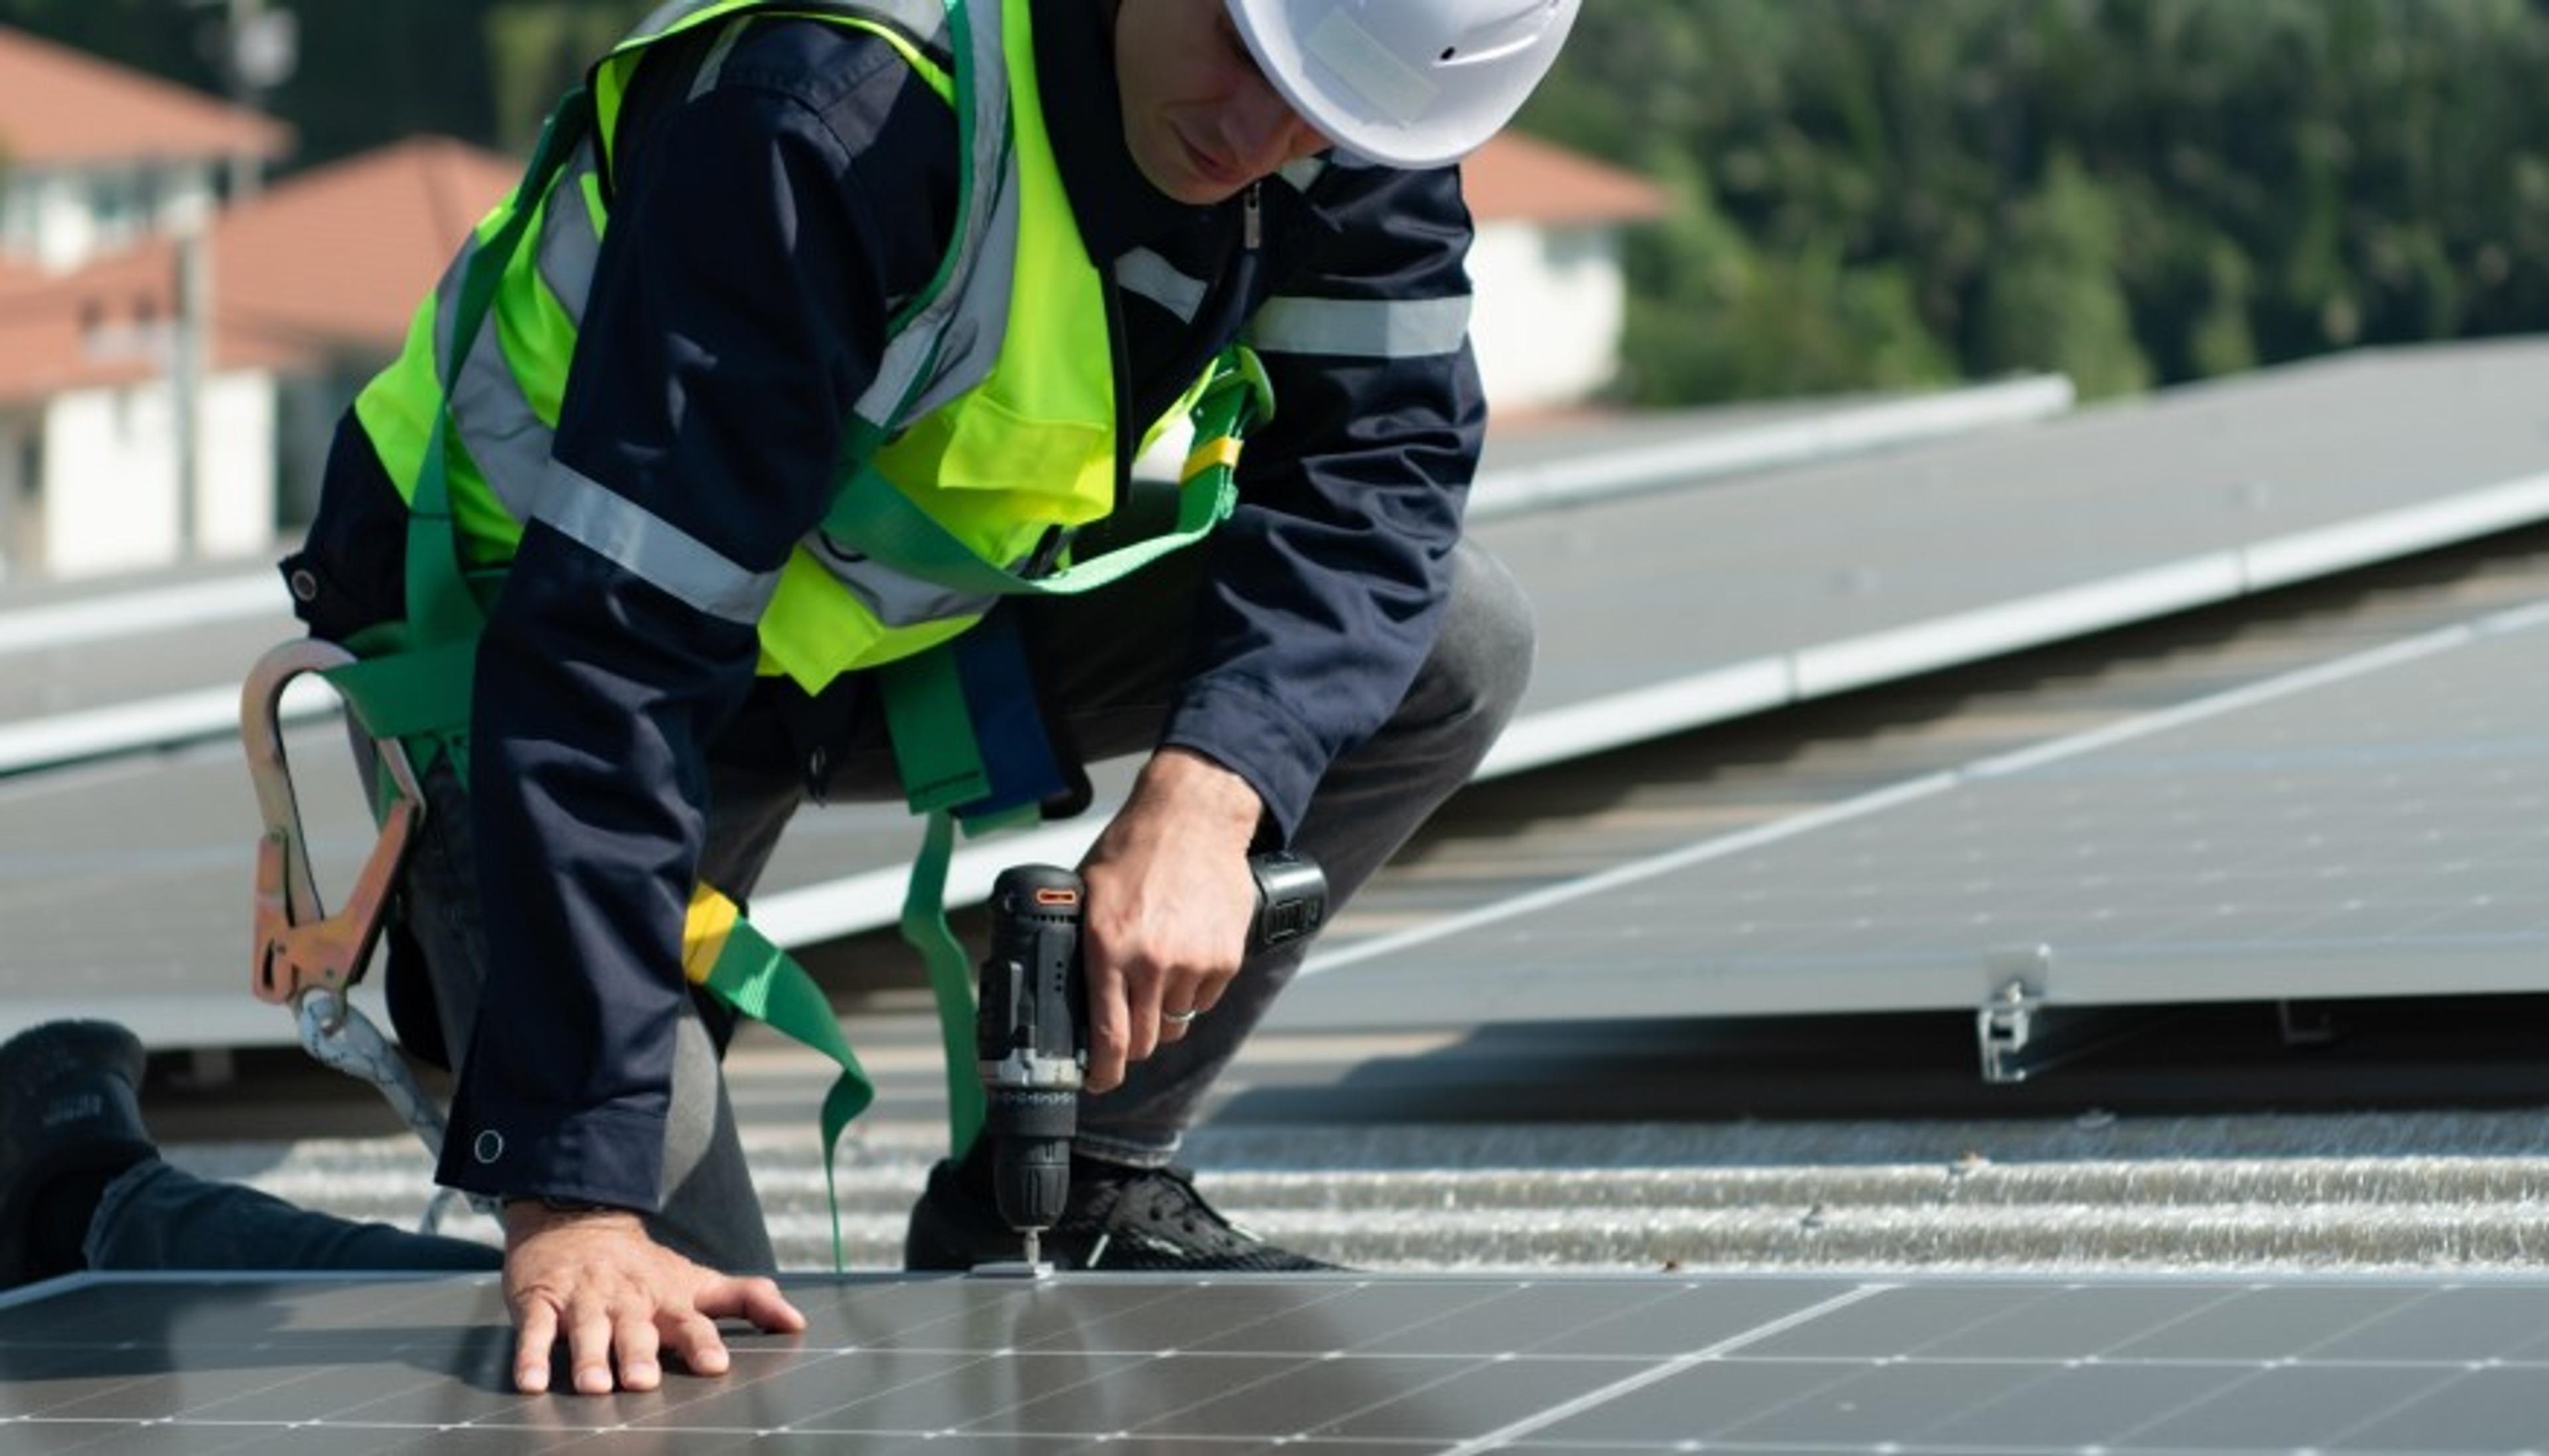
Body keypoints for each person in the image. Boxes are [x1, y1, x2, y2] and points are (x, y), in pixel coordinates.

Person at [0, 0, 1575, 1399]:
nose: (1260, 135)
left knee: (1449, 635)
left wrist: (1210, 795)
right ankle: (85, 1195)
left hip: (837, 644)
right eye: (1243, 55)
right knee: (668, 1355)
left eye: (1321, 113)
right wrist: (577, 1198)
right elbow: (607, 660)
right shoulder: (838, 112)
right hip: (526, 671)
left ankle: (1078, 1181)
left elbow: (1378, 482)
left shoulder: (1352, 100)